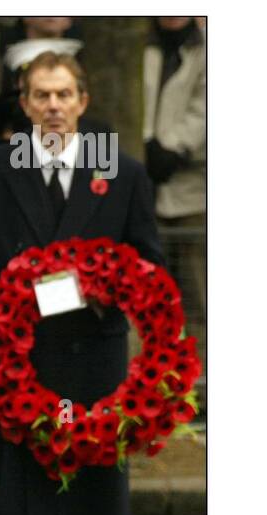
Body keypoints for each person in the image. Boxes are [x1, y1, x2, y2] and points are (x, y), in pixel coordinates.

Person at [0, 53, 165, 515]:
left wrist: (102, 287)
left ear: (82, 102)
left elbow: (148, 267)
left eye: (63, 95)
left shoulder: (123, 173)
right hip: (12, 368)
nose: (53, 107)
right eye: (41, 95)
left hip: (92, 366)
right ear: (23, 105)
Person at [143, 17, 205, 349]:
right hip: (137, 182)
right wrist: (144, 143)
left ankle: (203, 385)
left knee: (197, 296)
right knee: (143, 298)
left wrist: (175, 146)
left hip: (190, 187)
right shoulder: (135, 40)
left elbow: (205, 108)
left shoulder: (207, 44)